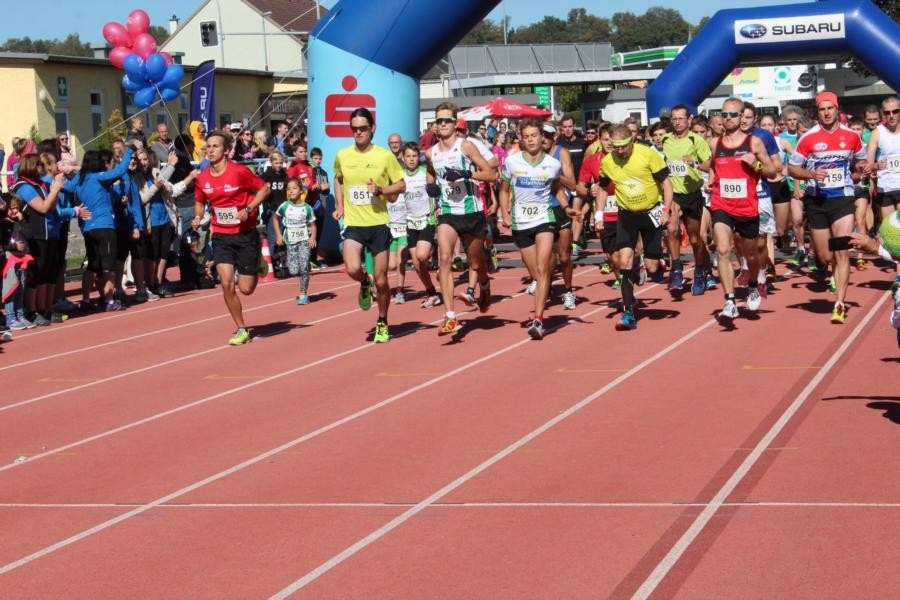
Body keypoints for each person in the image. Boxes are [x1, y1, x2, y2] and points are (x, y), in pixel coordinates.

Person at [788, 91, 867, 324]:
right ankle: (832, 271)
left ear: (837, 109)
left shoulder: (852, 136)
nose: (826, 112)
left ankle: (840, 303)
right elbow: (792, 169)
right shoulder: (808, 138)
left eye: (830, 108)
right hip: (817, 200)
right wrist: (811, 173)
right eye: (822, 109)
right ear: (817, 112)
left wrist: (864, 168)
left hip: (842, 199)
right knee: (824, 256)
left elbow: (859, 162)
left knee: (842, 251)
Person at [332, 108, 406, 343]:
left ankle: (382, 321)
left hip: (378, 224)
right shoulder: (343, 155)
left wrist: (382, 190)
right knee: (352, 268)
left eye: (363, 128)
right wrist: (340, 204)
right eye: (354, 128)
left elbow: (401, 185)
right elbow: (338, 178)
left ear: (372, 128)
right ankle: (364, 281)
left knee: (383, 280)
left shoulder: (385, 156)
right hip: (354, 223)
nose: (358, 132)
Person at [191, 130, 271, 345]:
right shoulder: (202, 178)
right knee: (226, 284)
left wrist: (249, 207)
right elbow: (199, 202)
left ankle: (257, 262)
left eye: (215, 146)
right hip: (221, 236)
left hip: (245, 234)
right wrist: (198, 217)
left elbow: (264, 188)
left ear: (226, 151)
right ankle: (241, 328)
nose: (210, 150)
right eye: (208, 146)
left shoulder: (239, 172)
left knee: (246, 289)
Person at [499, 118, 577, 339]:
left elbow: (556, 188)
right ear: (521, 140)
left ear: (542, 138)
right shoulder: (512, 162)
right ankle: (544, 287)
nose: (531, 139)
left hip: (545, 218)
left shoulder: (553, 164)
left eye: (534, 135)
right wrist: (504, 213)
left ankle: (538, 319)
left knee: (543, 269)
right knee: (535, 272)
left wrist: (566, 207)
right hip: (520, 222)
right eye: (526, 136)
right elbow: (504, 190)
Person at [424, 102, 497, 336]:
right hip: (447, 213)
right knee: (444, 260)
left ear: (455, 124)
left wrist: (467, 173)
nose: (443, 124)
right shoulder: (431, 152)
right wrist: (431, 188)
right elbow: (430, 174)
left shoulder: (465, 146)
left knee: (476, 262)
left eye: (447, 120)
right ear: (435, 126)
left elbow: (491, 173)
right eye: (439, 121)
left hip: (471, 211)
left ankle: (484, 283)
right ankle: (450, 316)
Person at [593, 124, 673, 330]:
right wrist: (599, 215)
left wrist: (666, 210)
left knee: (653, 266)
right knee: (624, 261)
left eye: (623, 146)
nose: (619, 151)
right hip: (627, 215)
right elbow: (602, 188)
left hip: (652, 213)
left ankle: (653, 263)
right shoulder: (608, 161)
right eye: (615, 146)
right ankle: (628, 312)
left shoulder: (647, 155)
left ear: (632, 140)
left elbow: (666, 183)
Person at [709, 98, 779, 324]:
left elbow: (772, 172)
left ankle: (753, 285)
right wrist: (710, 180)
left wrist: (756, 164)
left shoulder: (754, 143)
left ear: (742, 117)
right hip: (721, 204)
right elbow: (712, 167)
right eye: (724, 114)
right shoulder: (714, 144)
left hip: (747, 207)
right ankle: (729, 300)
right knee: (722, 250)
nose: (728, 118)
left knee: (751, 255)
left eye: (733, 115)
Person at [661, 104, 713, 295]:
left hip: (692, 194)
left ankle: (699, 272)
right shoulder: (665, 140)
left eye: (680, 118)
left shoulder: (696, 139)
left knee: (695, 239)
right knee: (672, 230)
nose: (676, 122)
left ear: (689, 120)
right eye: (673, 118)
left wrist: (695, 163)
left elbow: (710, 166)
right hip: (673, 194)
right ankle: (676, 269)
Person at [397, 142, 440, 307]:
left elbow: (437, 188)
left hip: (427, 219)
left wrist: (437, 204)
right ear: (403, 157)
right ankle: (432, 293)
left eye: (414, 156)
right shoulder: (400, 176)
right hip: (410, 221)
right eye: (408, 156)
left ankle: (434, 248)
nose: (411, 159)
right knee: (416, 263)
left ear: (418, 157)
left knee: (422, 256)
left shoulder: (425, 173)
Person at [865, 95, 900, 282]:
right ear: (882, 114)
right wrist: (877, 165)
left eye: (895, 111)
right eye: (887, 113)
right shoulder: (878, 132)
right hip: (886, 187)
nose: (892, 116)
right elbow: (869, 164)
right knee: (891, 232)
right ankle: (898, 270)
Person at [273, 178, 316, 304]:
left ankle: (303, 294)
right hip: (290, 241)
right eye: (288, 189)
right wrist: (279, 235)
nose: (291, 191)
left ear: (301, 191)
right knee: (293, 270)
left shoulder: (307, 208)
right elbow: (275, 219)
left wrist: (312, 237)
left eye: (294, 188)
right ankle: (304, 264)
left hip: (304, 240)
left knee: (303, 268)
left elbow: (313, 225)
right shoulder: (284, 206)